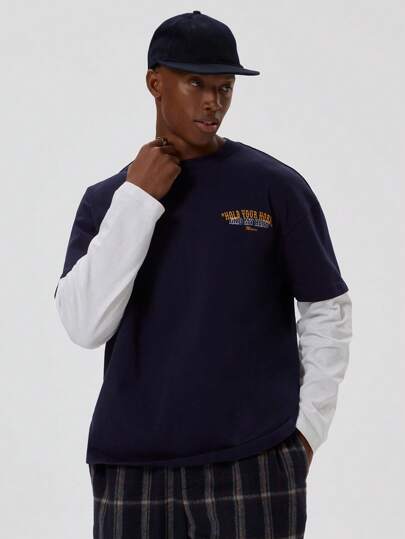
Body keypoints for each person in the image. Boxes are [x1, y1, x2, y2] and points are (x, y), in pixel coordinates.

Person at [54, 10, 352, 539]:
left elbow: (327, 308)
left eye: (225, 87)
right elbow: (83, 325)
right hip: (130, 467)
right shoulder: (108, 200)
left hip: (253, 459)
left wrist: (306, 432)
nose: (214, 102)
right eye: (196, 83)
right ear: (155, 83)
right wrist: (139, 198)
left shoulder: (273, 187)